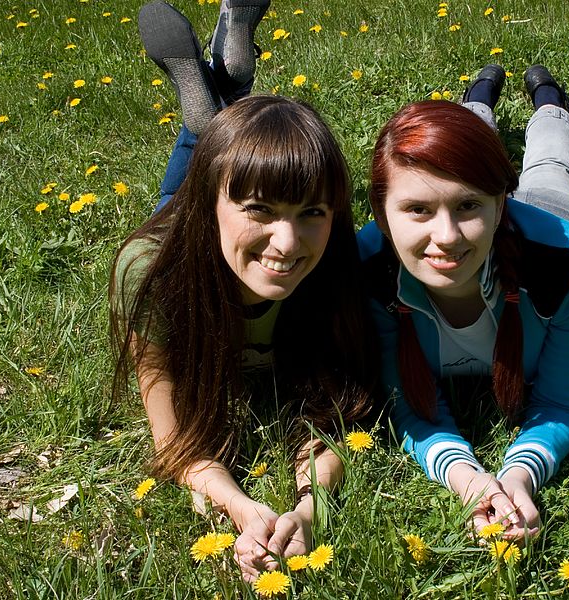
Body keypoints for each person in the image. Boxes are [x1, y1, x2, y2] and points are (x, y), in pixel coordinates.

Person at [110, 0, 377, 581]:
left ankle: (221, 85)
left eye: (312, 211)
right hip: (185, 249)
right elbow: (171, 435)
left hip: (220, 228)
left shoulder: (336, 258)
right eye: (261, 210)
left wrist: (308, 511)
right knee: (205, 163)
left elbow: (334, 417)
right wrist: (236, 503)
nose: (287, 242)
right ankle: (210, 99)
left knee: (226, 154)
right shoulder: (149, 274)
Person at [357, 64, 569, 542]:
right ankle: (479, 99)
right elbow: (408, 403)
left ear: (499, 204)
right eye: (417, 210)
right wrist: (471, 481)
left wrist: (520, 477)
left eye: (468, 205)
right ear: (382, 217)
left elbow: (560, 401)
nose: (445, 238)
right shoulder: (365, 272)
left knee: (549, 171)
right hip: (498, 226)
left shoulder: (567, 262)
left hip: (543, 219)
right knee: (458, 149)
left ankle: (549, 101)